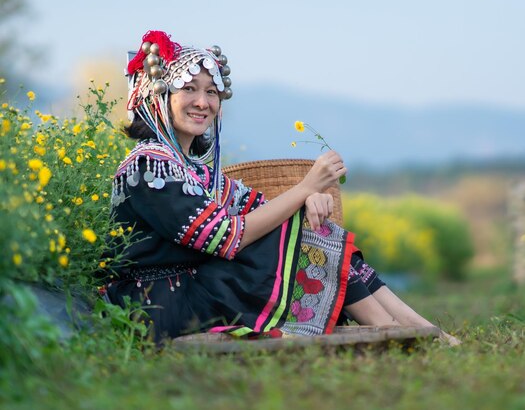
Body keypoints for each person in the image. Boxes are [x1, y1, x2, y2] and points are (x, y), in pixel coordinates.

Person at [104, 30, 460, 346]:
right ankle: (395, 337)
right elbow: (227, 237)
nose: (203, 102)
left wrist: (310, 199)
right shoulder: (148, 166)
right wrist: (307, 187)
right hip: (154, 302)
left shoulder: (196, 169)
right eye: (189, 89)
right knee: (302, 242)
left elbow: (262, 208)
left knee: (313, 231)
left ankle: (421, 330)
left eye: (211, 91)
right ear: (156, 96)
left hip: (192, 287)